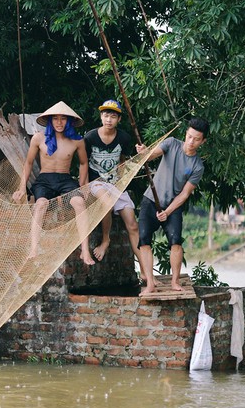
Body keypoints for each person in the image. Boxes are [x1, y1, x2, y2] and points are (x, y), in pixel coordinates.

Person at [12, 101, 94, 265]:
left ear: (68, 121)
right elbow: (28, 163)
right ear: (50, 120)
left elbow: (84, 163)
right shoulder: (39, 138)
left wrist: (84, 185)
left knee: (79, 202)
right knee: (41, 204)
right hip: (45, 180)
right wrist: (22, 187)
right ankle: (34, 248)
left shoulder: (77, 141)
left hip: (65, 179)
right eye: (55, 119)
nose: (59, 122)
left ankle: (85, 251)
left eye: (63, 118)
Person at [135, 117, 209, 294]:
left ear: (203, 141)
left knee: (175, 241)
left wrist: (167, 212)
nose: (191, 142)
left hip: (173, 206)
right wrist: (144, 152)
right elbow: (152, 155)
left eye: (196, 139)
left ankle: (175, 281)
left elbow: (184, 194)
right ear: (186, 133)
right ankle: (150, 283)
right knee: (144, 239)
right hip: (150, 200)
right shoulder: (171, 143)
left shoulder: (197, 166)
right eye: (189, 136)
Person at [83, 99, 143, 264]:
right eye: (106, 115)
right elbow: (83, 163)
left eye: (113, 116)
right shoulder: (90, 137)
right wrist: (84, 186)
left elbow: (122, 161)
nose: (109, 119)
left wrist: (121, 180)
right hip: (95, 182)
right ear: (101, 116)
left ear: (119, 119)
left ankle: (145, 272)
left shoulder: (124, 138)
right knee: (107, 202)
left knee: (133, 224)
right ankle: (105, 240)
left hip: (115, 184)